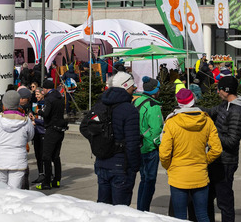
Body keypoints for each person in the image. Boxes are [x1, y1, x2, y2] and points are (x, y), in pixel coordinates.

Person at [160, 88, 221, 222]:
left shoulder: (171, 122)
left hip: (178, 175)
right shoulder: (206, 120)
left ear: (179, 103)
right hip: (200, 174)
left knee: (180, 217)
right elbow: (217, 149)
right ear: (193, 100)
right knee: (202, 215)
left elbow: (164, 153)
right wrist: (204, 160)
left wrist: (169, 167)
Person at [205, 75, 241, 222]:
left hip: (226, 162)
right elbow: (209, 112)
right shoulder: (224, 106)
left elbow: (231, 141)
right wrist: (190, 109)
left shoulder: (237, 111)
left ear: (226, 90)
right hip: (215, 159)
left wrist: (212, 135)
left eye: (219, 89)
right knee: (207, 198)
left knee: (224, 202)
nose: (217, 92)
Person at [94, 71, 141, 206]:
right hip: (121, 166)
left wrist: (99, 143)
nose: (135, 89)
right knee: (120, 211)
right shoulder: (129, 109)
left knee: (103, 209)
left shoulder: (101, 104)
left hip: (102, 163)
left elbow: (85, 127)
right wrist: (134, 167)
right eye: (133, 86)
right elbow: (132, 143)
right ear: (126, 87)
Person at [0, 89, 32, 187]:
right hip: (18, 159)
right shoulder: (26, 120)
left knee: (1, 190)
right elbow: (30, 136)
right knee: (15, 191)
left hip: (1, 158)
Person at [134, 76, 165, 211]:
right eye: (158, 89)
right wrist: (159, 145)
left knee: (143, 179)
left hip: (137, 146)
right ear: (154, 91)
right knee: (150, 181)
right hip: (149, 149)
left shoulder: (136, 101)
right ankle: (144, 210)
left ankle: (141, 208)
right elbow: (156, 130)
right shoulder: (154, 106)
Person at [35, 79, 67, 190]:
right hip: (60, 129)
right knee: (56, 156)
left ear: (45, 89)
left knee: (46, 156)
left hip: (51, 129)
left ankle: (46, 182)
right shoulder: (60, 97)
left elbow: (46, 113)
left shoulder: (49, 99)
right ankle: (57, 180)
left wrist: (38, 112)